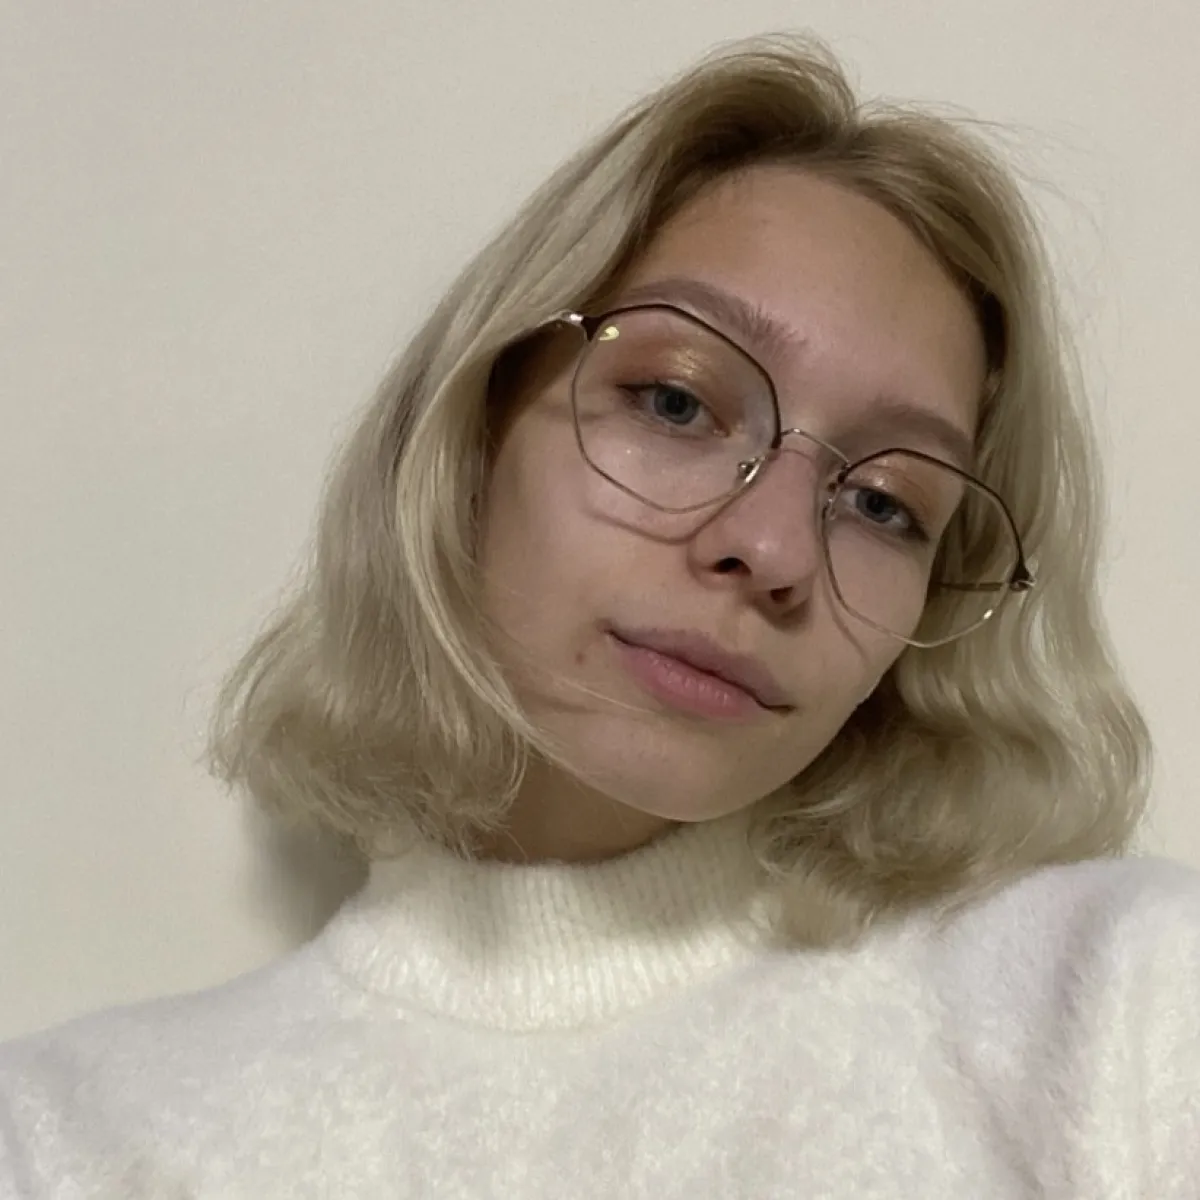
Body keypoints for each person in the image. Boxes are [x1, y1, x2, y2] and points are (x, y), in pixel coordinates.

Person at [1, 31, 1196, 1199]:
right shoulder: (73, 1141)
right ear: (474, 426)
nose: (774, 550)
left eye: (886, 505)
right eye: (675, 402)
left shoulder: (1119, 1015)